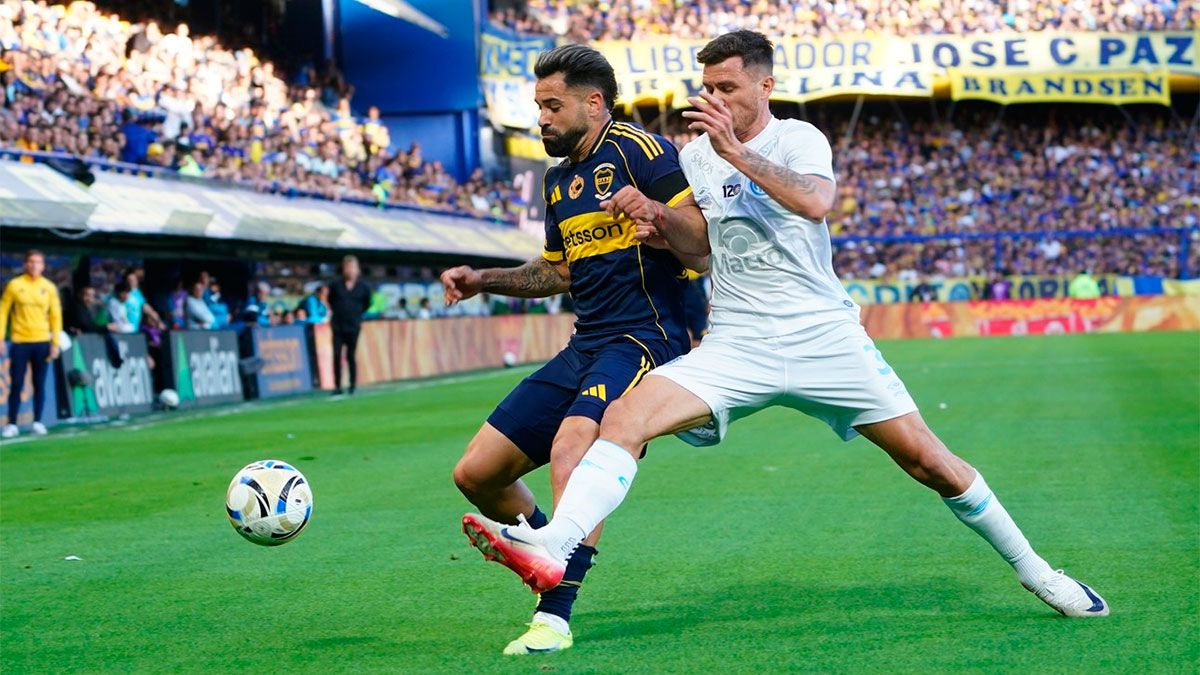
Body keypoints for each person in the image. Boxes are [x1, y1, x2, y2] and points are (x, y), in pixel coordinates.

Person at [461, 31, 1109, 622]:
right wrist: (657, 221)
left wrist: (735, 151)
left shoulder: (797, 138)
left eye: (728, 87)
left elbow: (815, 201)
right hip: (738, 341)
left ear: (764, 86)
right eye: (708, 88)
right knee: (624, 418)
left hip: (822, 336)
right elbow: (699, 252)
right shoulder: (695, 157)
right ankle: (556, 541)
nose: (714, 100)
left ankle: (1038, 571)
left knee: (929, 461)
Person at [444, 43, 706, 655]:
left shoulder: (642, 152)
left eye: (552, 106)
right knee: (477, 473)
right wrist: (484, 280)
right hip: (586, 342)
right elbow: (557, 272)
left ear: (594, 102)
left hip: (646, 336)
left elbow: (701, 241)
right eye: (538, 106)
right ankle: (548, 546)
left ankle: (554, 617)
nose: (541, 118)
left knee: (572, 445)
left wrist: (656, 215)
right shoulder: (558, 180)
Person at [0, 250, 63, 438]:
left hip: (42, 341)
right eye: (31, 262)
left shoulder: (49, 287)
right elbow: (3, 312)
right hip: (20, 341)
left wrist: (55, 342)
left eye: (38, 262)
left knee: (39, 383)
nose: (34, 265)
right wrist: (1, 338)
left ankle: (38, 421)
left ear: (43, 266)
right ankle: (11, 423)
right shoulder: (15, 285)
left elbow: (55, 316)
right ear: (25, 264)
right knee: (17, 383)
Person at [327, 255, 372, 395]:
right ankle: (337, 386)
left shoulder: (363, 287)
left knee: (351, 355)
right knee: (336, 354)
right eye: (347, 267)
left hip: (353, 326)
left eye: (353, 267)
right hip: (338, 325)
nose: (350, 270)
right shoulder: (336, 285)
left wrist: (356, 314)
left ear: (357, 269)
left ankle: (352, 385)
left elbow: (367, 304)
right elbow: (330, 300)